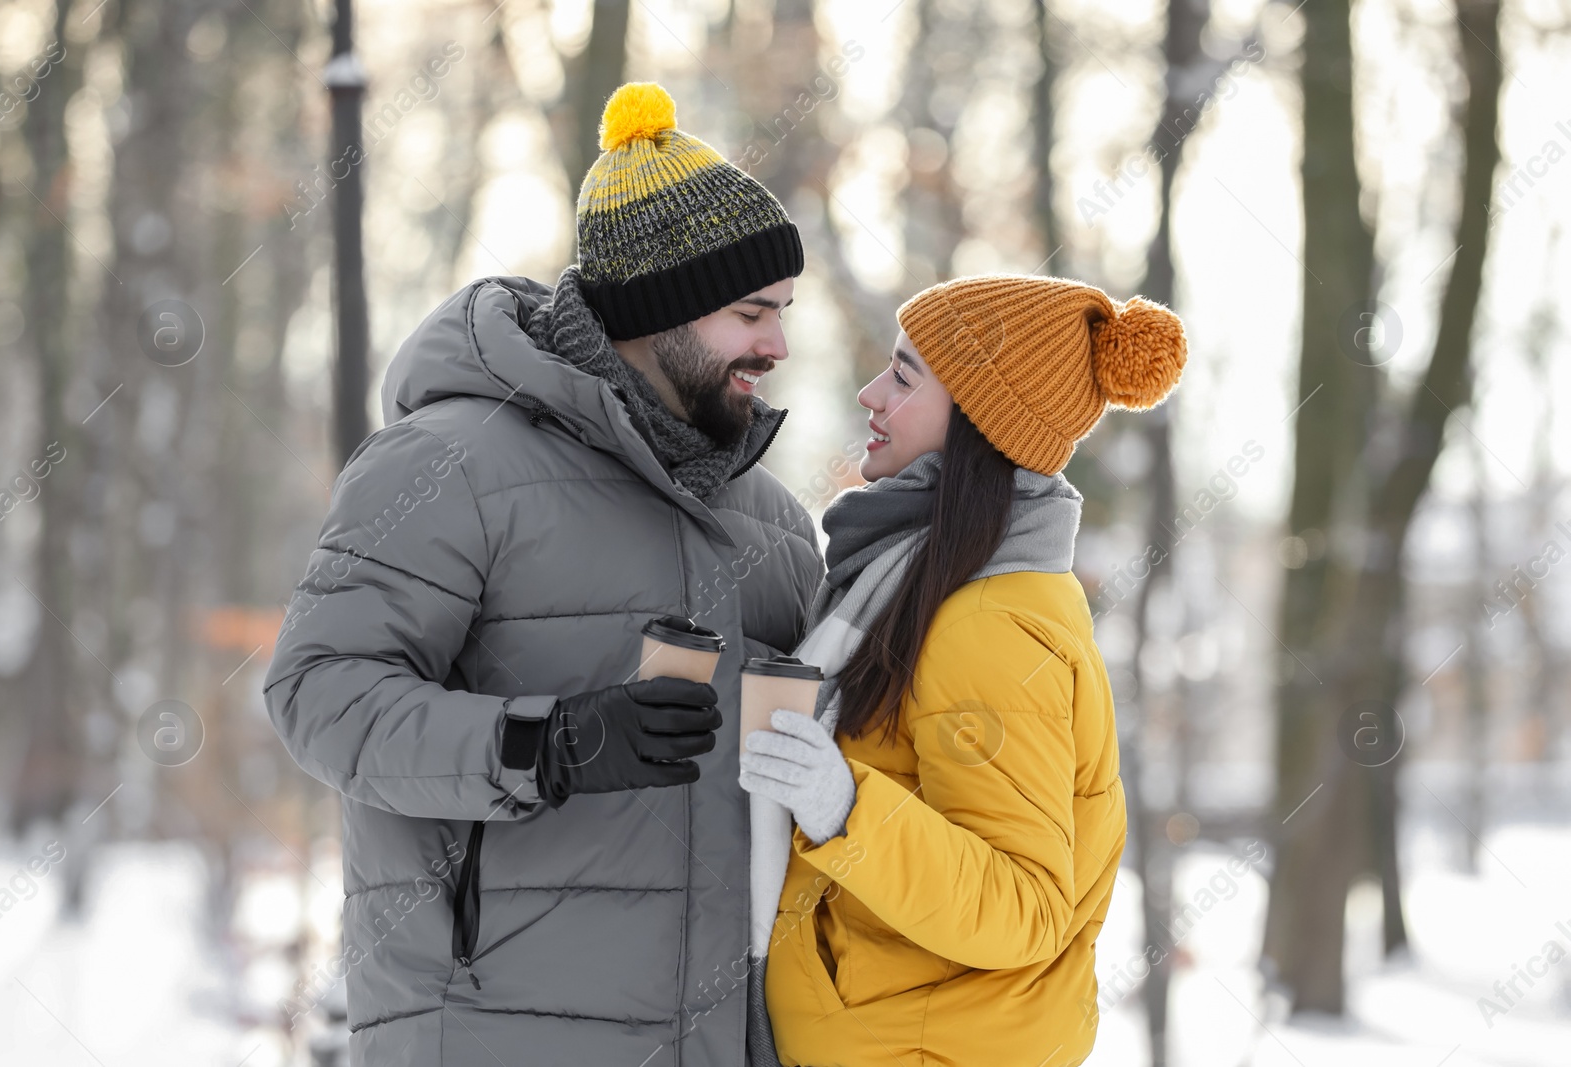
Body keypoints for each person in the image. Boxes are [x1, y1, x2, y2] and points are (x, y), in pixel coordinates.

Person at [264, 82, 823, 1066]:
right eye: (751, 312)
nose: (777, 344)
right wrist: (549, 741)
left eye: (782, 311)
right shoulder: (449, 463)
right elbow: (320, 695)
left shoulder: (771, 522)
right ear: (660, 312)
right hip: (489, 1031)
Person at [738, 273, 1188, 1066]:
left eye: (905, 375)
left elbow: (1027, 906)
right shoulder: (931, 584)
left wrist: (845, 808)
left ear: (980, 420)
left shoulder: (987, 623)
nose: (873, 393)